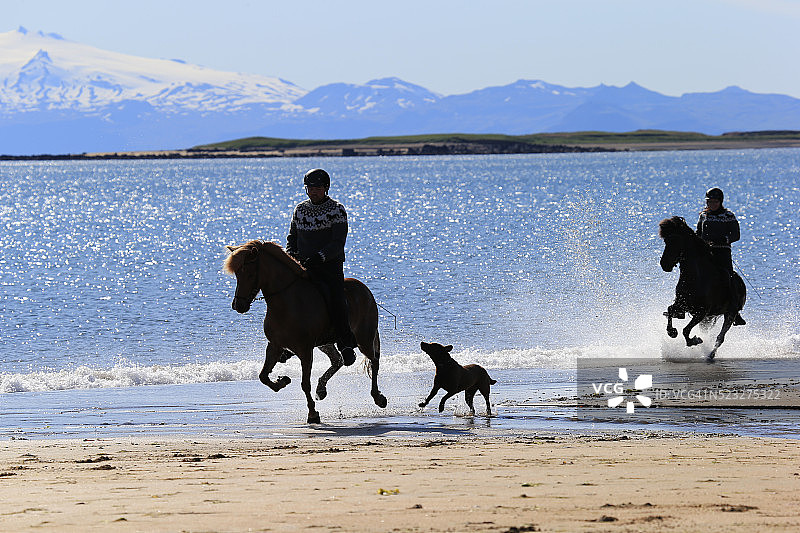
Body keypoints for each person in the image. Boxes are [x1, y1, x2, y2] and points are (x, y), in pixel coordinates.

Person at [286, 168, 358, 364]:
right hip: (302, 266)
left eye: (317, 187)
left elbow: (337, 243)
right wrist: (292, 255)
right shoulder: (300, 209)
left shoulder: (337, 210)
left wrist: (319, 257)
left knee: (335, 298)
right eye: (310, 187)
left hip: (329, 267)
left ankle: (345, 342)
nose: (313, 191)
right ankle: (287, 342)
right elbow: (292, 237)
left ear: (326, 188)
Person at [696, 187, 746, 325]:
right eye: (709, 202)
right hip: (706, 253)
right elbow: (698, 233)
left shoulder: (728, 215)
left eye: (715, 202)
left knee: (728, 278)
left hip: (722, 253)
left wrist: (723, 239)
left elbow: (736, 235)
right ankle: (681, 304)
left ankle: (735, 310)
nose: (712, 204)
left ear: (720, 202)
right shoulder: (703, 216)